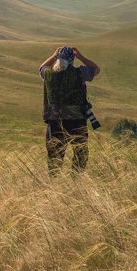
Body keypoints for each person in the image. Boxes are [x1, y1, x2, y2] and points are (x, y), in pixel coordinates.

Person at [39, 45, 100, 176]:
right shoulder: (80, 73)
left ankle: (54, 185)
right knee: (80, 153)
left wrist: (54, 55)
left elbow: (40, 68)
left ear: (57, 59)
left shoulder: (48, 74)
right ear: (72, 60)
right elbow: (96, 69)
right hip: (76, 120)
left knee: (54, 156)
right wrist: (80, 56)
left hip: (55, 121)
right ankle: (76, 180)